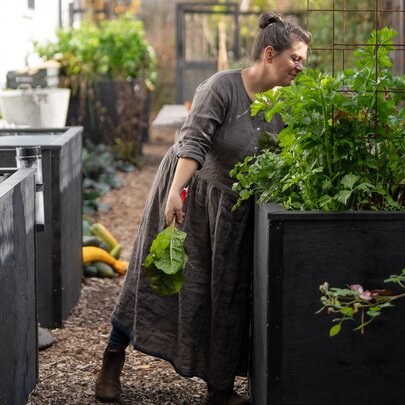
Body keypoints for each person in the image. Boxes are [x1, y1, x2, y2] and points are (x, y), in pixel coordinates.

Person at [95, 11, 311, 405]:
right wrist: (174, 195)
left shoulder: (283, 104)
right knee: (155, 276)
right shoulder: (222, 88)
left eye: (303, 61)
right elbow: (192, 144)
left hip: (234, 209)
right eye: (295, 58)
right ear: (269, 53)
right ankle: (112, 356)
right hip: (192, 195)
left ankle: (220, 388)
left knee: (227, 292)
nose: (301, 67)